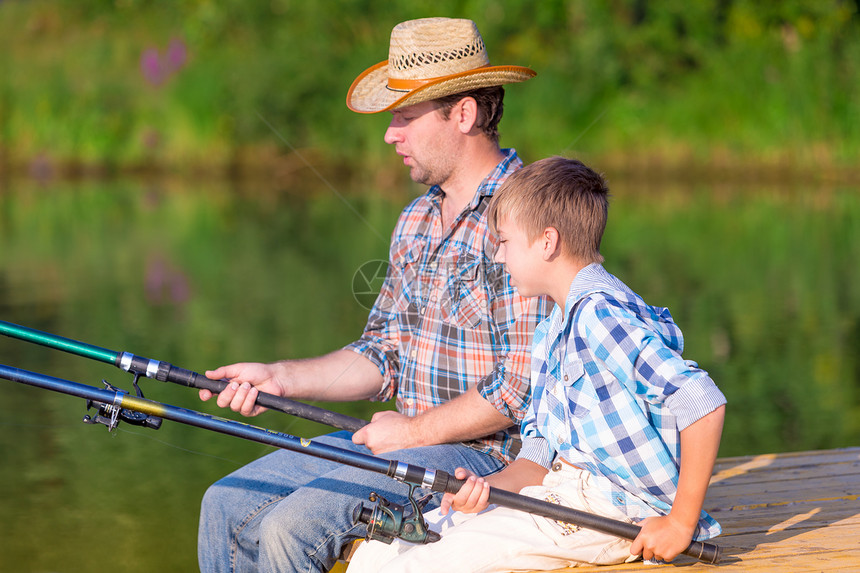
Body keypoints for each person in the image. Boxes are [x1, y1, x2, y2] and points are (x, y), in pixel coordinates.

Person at [196, 17, 549, 573]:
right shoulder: (415, 220)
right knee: (225, 504)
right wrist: (279, 377)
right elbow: (383, 353)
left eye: (404, 117)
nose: (390, 135)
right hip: (400, 442)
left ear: (463, 113)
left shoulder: (526, 218)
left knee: (294, 526)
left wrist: (410, 432)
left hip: (480, 457)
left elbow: (518, 390)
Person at [347, 156, 727, 572]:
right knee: (377, 553)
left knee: (406, 569)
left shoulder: (599, 315)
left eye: (505, 241)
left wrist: (679, 522)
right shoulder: (550, 330)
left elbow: (701, 401)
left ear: (547, 242)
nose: (498, 255)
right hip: (557, 491)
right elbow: (536, 459)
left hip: (613, 512)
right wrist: (482, 490)